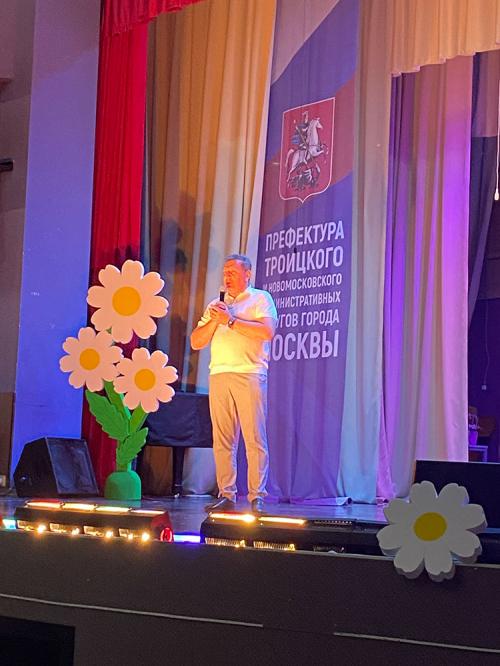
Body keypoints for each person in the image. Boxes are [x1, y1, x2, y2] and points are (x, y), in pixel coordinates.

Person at [190, 254, 277, 514]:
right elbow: (196, 341)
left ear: (247, 274)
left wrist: (230, 320)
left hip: (249, 373)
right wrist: (215, 320)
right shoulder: (216, 305)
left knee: (254, 437)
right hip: (219, 373)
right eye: (225, 272)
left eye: (233, 272)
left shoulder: (260, 299)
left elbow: (267, 332)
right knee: (223, 439)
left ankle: (257, 495)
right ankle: (226, 494)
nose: (227, 277)